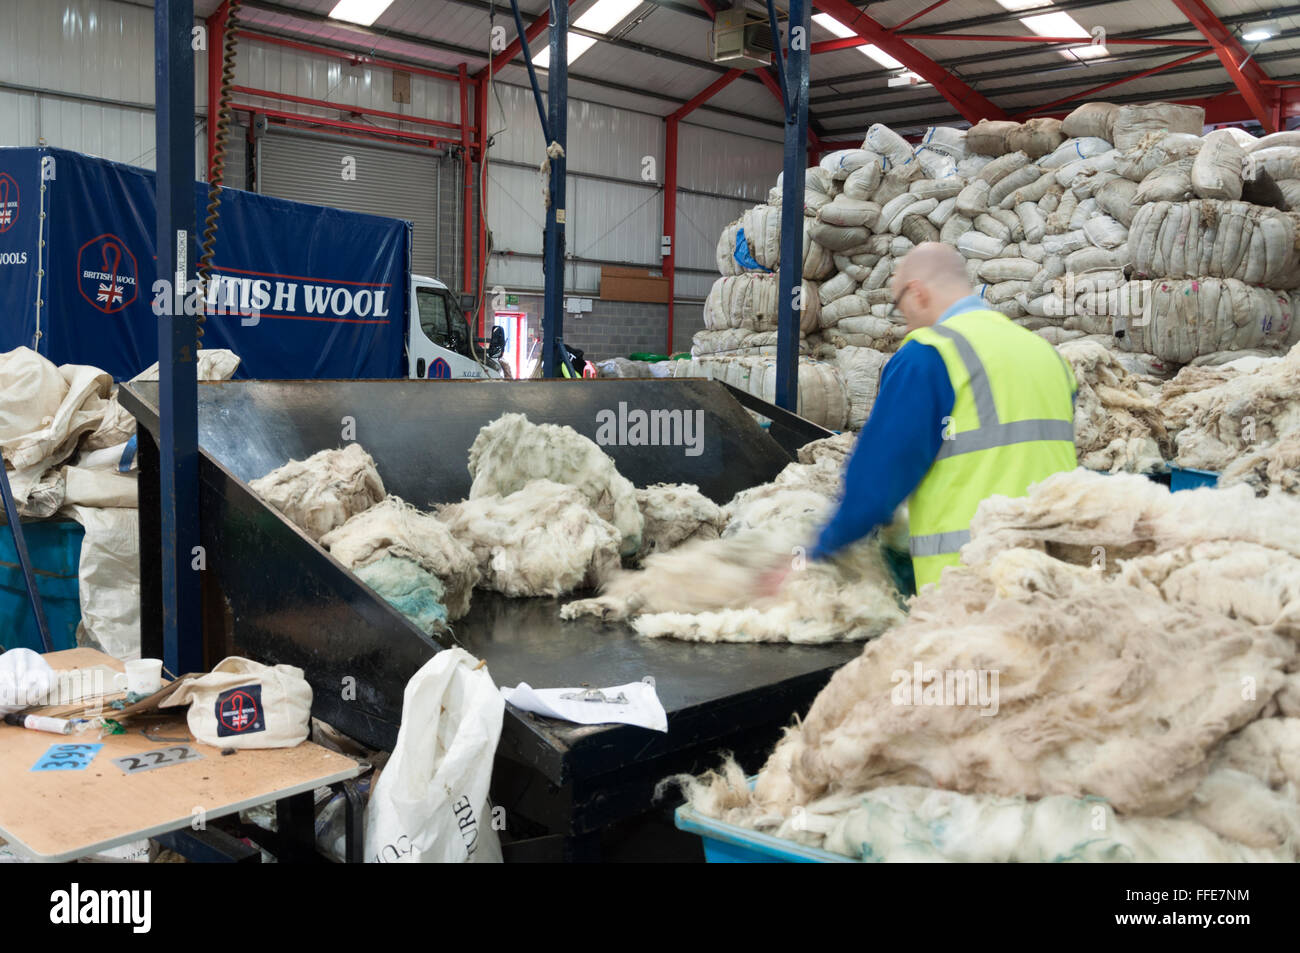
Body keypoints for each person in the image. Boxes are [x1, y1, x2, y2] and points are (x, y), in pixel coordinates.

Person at [772, 242, 1079, 592]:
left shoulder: (931, 354)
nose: (903, 321)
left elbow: (877, 480)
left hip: (969, 588)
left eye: (899, 304)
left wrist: (814, 554)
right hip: (1056, 581)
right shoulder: (1046, 353)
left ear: (917, 293)